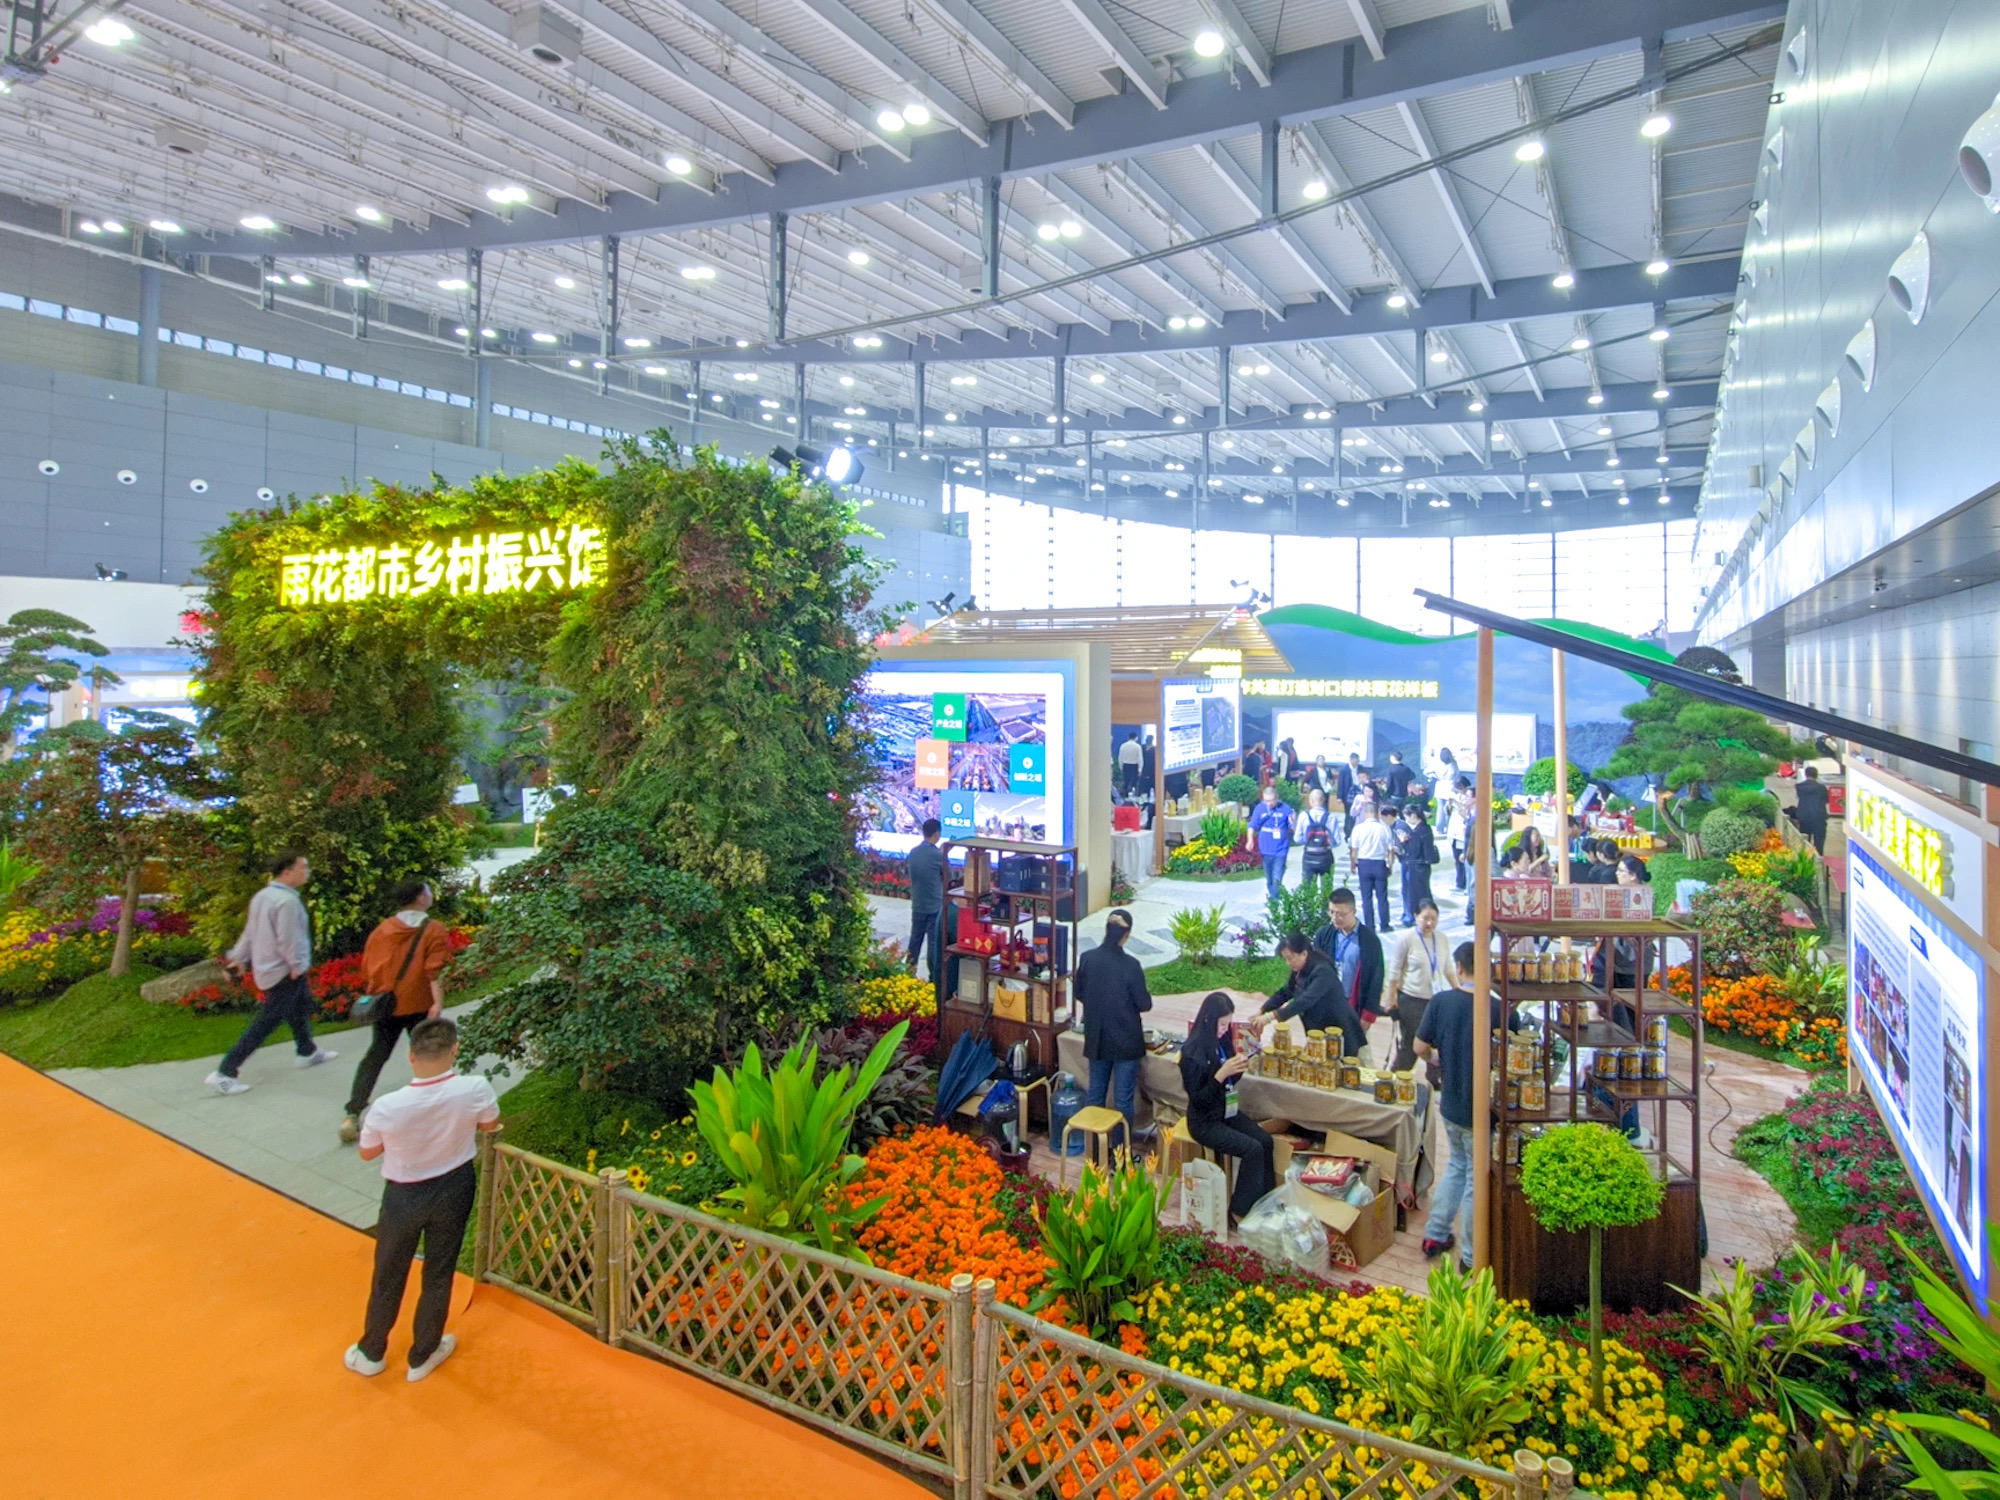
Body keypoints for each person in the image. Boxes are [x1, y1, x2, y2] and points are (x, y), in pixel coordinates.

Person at [345, 1017, 500, 1382]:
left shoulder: (387, 1106)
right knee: (439, 1269)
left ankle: (372, 1351)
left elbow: (367, 1153)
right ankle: (423, 1353)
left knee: (389, 1270)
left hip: (403, 1194)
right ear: (454, 1050)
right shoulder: (474, 1088)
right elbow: (489, 1125)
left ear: (411, 1056)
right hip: (455, 1186)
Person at [1414, 942, 1524, 1267]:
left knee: (1457, 1167)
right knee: (1476, 1177)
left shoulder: (1441, 1001)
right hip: (1483, 1109)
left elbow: (1419, 1045)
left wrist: (1438, 1058)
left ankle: (1435, 1234)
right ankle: (1470, 1256)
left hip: (1450, 1104)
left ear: (1459, 968)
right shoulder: (1500, 1010)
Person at [206, 850, 336, 1096]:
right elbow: (289, 939)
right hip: (283, 971)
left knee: (299, 1006)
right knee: (266, 1022)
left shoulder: (263, 896)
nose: (306, 872)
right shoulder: (286, 902)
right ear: (287, 871)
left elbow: (250, 932)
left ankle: (306, 1051)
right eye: (303, 867)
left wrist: (238, 958)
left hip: (270, 968)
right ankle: (225, 1072)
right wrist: (298, 966)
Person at [340, 878, 455, 1145]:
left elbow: (369, 967)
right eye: (427, 891)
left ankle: (352, 1113)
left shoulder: (383, 929)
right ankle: (438, 1111)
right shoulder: (434, 929)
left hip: (386, 1004)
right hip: (419, 1005)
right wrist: (437, 1004)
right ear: (420, 898)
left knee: (376, 1055)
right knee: (430, 1056)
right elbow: (434, 971)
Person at [1180, 992, 1276, 1226]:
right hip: (1204, 1121)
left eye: (1227, 1024)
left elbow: (1231, 1078)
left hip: (1226, 1110)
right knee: (1251, 1149)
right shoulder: (1192, 1052)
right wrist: (1220, 1075)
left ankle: (1265, 1201)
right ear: (1208, 1020)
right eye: (1221, 1024)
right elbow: (1199, 1099)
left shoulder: (1221, 1041)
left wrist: (1239, 1066)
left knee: (1265, 1140)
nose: (1224, 1029)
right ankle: (1239, 1212)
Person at [1075, 909, 1152, 1149]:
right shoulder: (1131, 965)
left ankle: (1093, 1150)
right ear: (1126, 935)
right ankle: (1121, 1153)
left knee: (1095, 1094)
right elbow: (1144, 1004)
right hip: (1126, 1041)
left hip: (1097, 1037)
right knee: (1123, 1101)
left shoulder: (1088, 958)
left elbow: (1079, 992)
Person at [1259, 931, 1369, 1060]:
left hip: (1340, 1032)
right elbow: (1286, 992)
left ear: (1304, 953)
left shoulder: (1322, 971)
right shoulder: (1300, 969)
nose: (1288, 963)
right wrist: (1262, 1010)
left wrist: (1270, 1017)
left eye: (1290, 958)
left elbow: (1305, 1000)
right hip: (1318, 1032)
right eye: (1285, 959)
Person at [1385, 899, 1457, 1074]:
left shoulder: (1441, 939)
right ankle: (1396, 1077)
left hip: (1435, 999)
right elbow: (1394, 972)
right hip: (1411, 1000)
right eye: (1425, 918)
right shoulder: (1406, 939)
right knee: (1412, 1043)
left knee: (1436, 1042)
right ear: (1416, 916)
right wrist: (1391, 998)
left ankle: (1434, 1080)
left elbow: (1448, 968)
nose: (1429, 923)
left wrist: (1459, 990)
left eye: (1434, 918)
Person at [1312, 887, 1385, 1032]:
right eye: (1331, 912)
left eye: (1340, 914)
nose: (1335, 918)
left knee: (1355, 1051)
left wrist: (1368, 1015)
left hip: (1353, 1005)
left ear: (1354, 912)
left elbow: (1376, 979)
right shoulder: (1324, 935)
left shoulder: (1369, 941)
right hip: (1327, 1003)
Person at [905, 819, 946, 982]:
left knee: (915, 940)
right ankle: (933, 978)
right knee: (933, 945)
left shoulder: (913, 852)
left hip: (918, 905)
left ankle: (908, 974)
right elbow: (947, 876)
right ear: (936, 834)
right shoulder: (938, 855)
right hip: (935, 907)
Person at [1348, 800, 1395, 931]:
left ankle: (1370, 926)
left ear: (1365, 813)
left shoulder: (1358, 828)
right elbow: (1391, 850)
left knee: (1366, 897)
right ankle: (1385, 924)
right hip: (1379, 863)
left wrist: (1353, 863)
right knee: (1382, 896)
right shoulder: (1384, 828)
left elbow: (1354, 849)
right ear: (1377, 813)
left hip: (1364, 864)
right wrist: (1390, 866)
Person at [1245, 783, 1296, 900]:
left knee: (1277, 878)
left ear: (1277, 798)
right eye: (1267, 801)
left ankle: (1275, 902)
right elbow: (1252, 825)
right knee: (1269, 879)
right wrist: (1250, 840)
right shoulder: (1260, 808)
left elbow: (1291, 827)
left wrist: (1293, 821)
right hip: (1265, 848)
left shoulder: (1286, 809)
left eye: (1272, 801)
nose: (1269, 804)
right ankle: (1274, 901)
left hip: (1280, 849)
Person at [1393, 800, 1439, 926]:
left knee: (1415, 893)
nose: (1407, 820)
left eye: (1407, 817)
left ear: (1413, 816)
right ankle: (1421, 914)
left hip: (1416, 866)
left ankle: (1413, 916)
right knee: (1421, 892)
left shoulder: (1418, 831)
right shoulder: (1425, 829)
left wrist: (1403, 842)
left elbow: (1414, 850)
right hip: (1421, 866)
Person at [1298, 787, 1338, 885]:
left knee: (1308, 888)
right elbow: (1337, 841)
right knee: (1326, 888)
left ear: (1310, 801)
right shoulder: (1331, 817)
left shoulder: (1304, 816)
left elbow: (1297, 839)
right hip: (1325, 856)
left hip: (1309, 856)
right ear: (1324, 800)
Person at [1445, 776, 1476, 893]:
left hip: (1462, 835)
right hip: (1453, 833)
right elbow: (1448, 812)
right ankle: (1459, 883)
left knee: (1464, 861)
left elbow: (1466, 811)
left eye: (1459, 788)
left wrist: (1456, 803)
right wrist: (1449, 804)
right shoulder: (1454, 796)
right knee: (1457, 860)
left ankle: (1464, 885)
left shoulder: (1468, 799)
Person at [1794, 766, 1830, 854]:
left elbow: (1800, 798)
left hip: (1804, 816)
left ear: (1805, 775)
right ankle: (1818, 860)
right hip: (1819, 817)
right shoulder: (1822, 788)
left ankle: (1806, 861)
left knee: (1805, 841)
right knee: (1819, 842)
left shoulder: (1799, 787)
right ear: (1816, 775)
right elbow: (1826, 800)